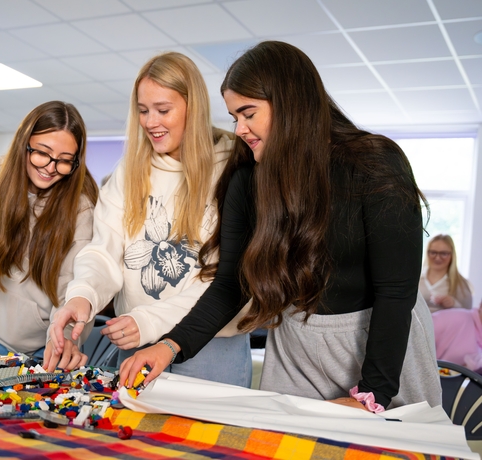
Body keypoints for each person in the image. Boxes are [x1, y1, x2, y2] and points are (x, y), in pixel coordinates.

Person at [121, 41, 442, 411]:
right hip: (296, 345)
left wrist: (373, 395)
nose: (239, 129)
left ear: (289, 103)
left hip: (380, 343)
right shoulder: (247, 177)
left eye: (248, 113)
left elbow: (395, 293)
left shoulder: (375, 163)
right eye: (234, 117)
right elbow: (231, 285)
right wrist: (170, 345)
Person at [44, 52, 253, 387]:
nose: (150, 121)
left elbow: (226, 278)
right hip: (135, 341)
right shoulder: (131, 169)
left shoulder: (235, 165)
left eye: (163, 110)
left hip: (210, 348)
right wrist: (82, 295)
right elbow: (104, 250)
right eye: (143, 110)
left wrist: (150, 321)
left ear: (192, 107)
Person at [0, 101, 99, 370]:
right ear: (24, 143)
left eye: (64, 161)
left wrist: (63, 337)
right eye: (42, 153)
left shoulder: (81, 204)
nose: (50, 168)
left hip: (49, 346)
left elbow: (73, 283)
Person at [419, 234, 473, 313]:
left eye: (443, 254)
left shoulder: (461, 284)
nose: (437, 258)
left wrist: (454, 304)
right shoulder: (416, 280)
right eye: (433, 252)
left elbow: (469, 315)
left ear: (452, 255)